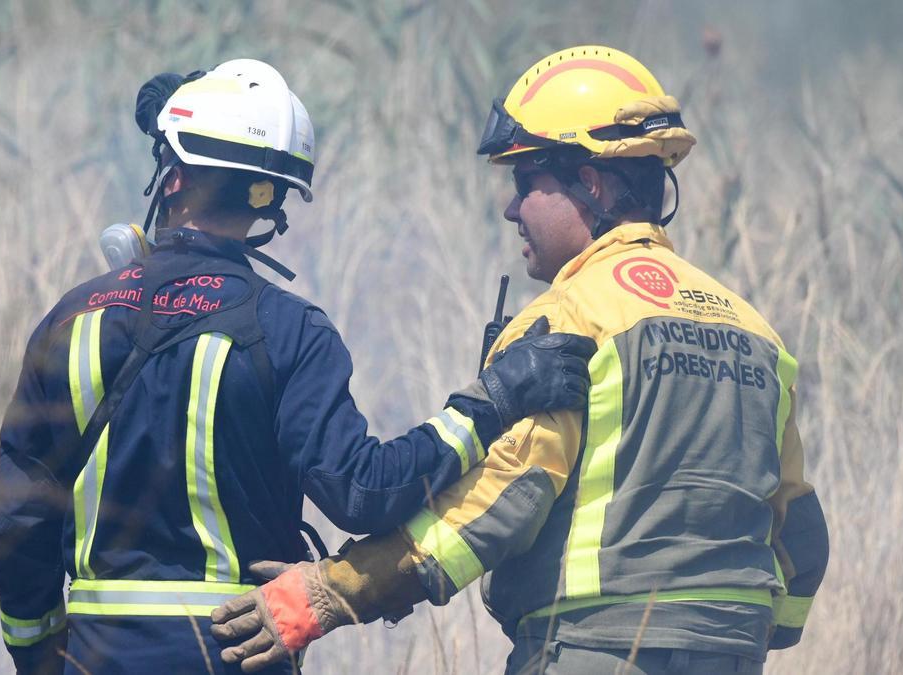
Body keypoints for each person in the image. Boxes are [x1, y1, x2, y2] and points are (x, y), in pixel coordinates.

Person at [212, 46, 830, 675]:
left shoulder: (567, 321)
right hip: (734, 654)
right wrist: (746, 632)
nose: (512, 210)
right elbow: (800, 531)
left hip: (595, 650)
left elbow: (501, 502)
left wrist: (326, 593)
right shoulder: (755, 331)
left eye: (524, 182)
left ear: (589, 182)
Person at [0, 58, 597, 675]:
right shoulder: (288, 331)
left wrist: (40, 656)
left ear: (170, 178)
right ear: (269, 197)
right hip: (237, 654)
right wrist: (489, 402)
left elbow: (19, 516)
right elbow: (365, 493)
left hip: (95, 656)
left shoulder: (71, 321)